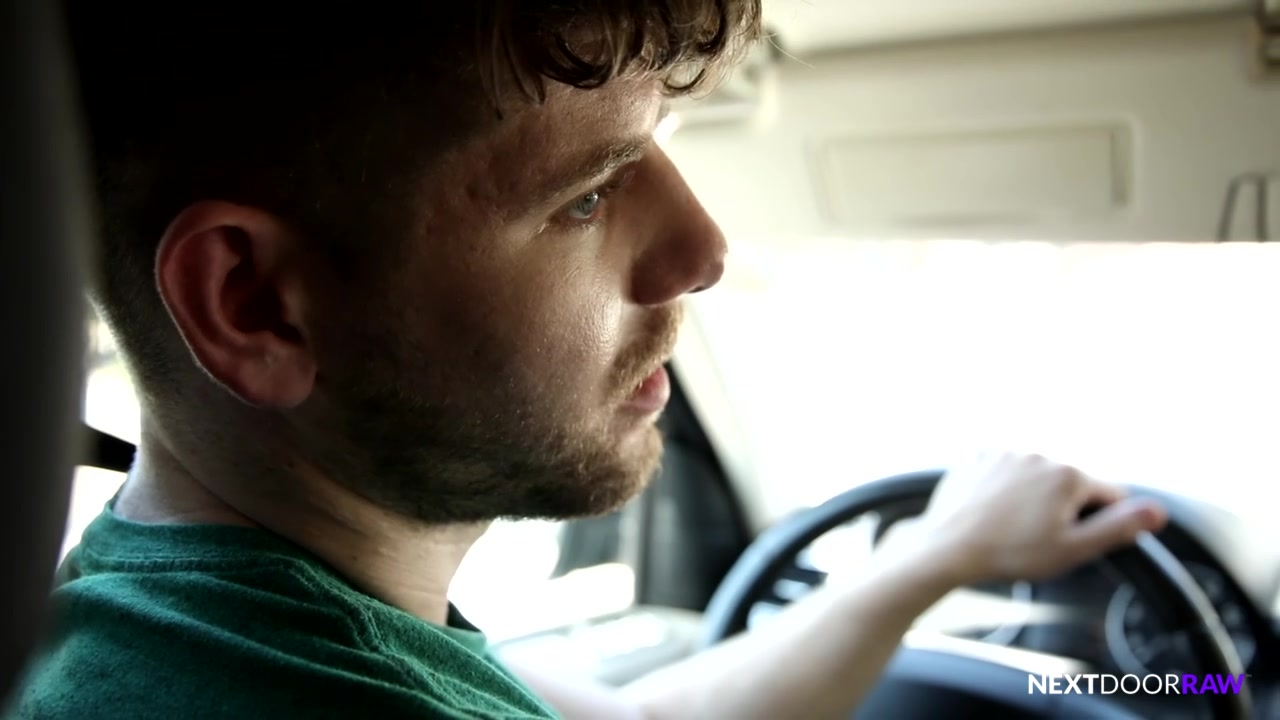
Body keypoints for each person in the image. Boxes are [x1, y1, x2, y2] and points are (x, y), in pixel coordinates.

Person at [9, 2, 1167, 718]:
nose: (701, 252)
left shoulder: (166, 612)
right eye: (588, 194)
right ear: (255, 305)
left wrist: (935, 553)